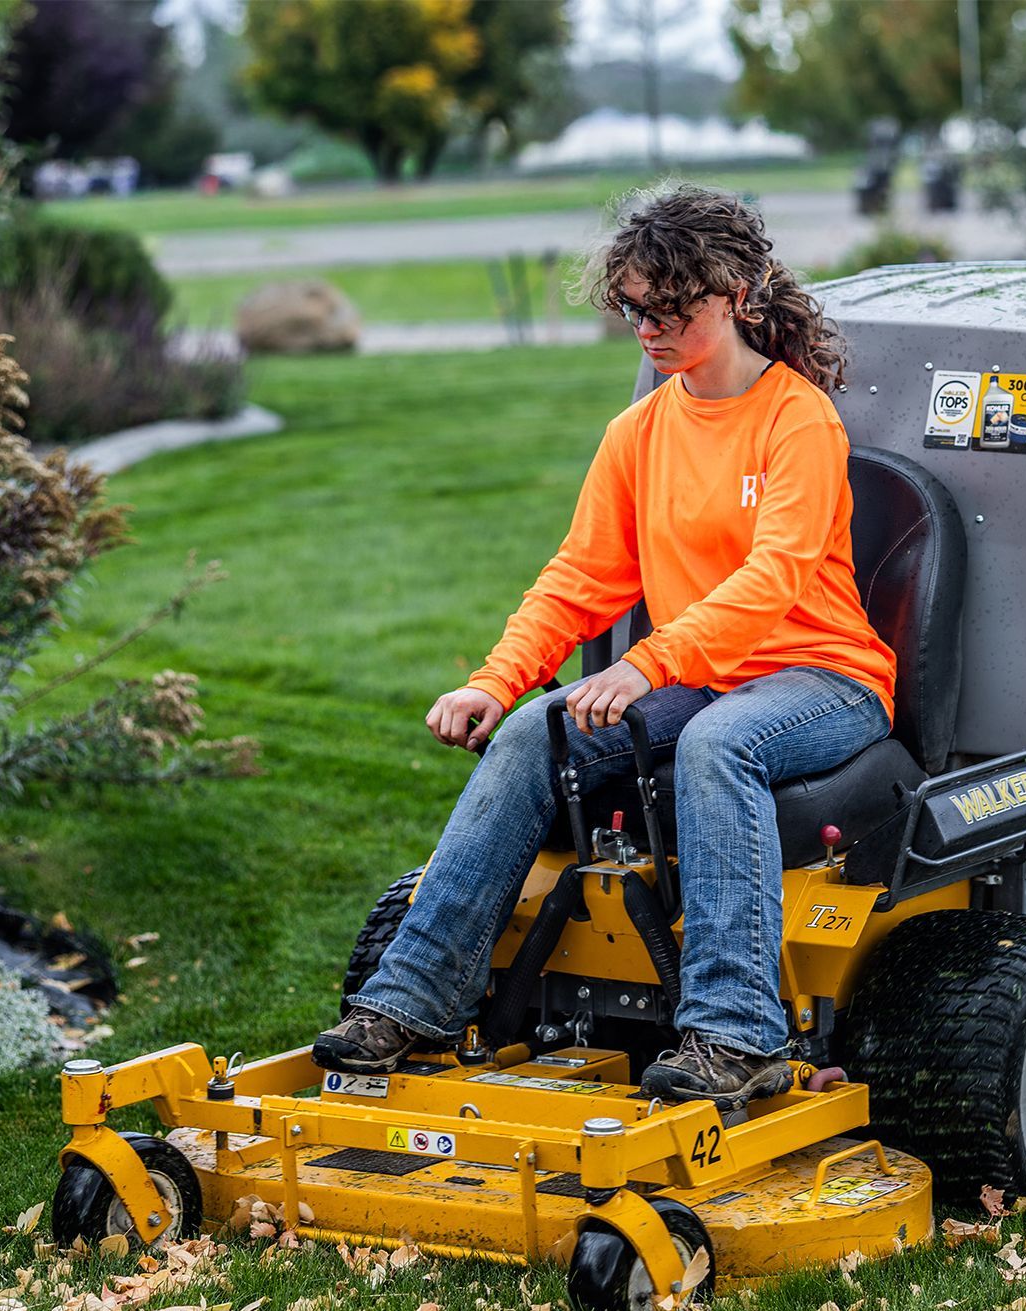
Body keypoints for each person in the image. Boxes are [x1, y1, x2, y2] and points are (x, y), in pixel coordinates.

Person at [313, 182, 897, 1108]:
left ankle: (736, 1036)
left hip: (821, 677)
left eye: (671, 309)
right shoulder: (637, 433)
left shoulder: (799, 421)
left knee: (720, 743)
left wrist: (645, 664)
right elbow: (581, 579)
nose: (648, 330)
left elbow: (775, 579)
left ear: (738, 293)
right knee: (535, 734)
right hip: (702, 679)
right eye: (634, 308)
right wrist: (496, 683)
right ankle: (412, 1001)